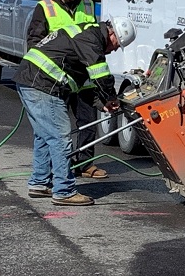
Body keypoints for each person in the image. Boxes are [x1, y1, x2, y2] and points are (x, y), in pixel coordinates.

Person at [13, 17, 137, 206]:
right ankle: (64, 190)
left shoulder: (86, 35)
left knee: (44, 135)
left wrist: (102, 103)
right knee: (60, 138)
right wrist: (111, 97)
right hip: (42, 84)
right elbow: (102, 75)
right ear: (112, 34)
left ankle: (39, 182)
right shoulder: (92, 39)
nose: (113, 50)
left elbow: (85, 83)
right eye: (116, 45)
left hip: (30, 79)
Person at [26, 0, 106, 180]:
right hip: (56, 77)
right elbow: (34, 41)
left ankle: (86, 163)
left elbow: (94, 40)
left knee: (88, 121)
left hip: (82, 76)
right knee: (55, 129)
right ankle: (55, 169)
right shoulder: (45, 8)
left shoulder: (88, 6)